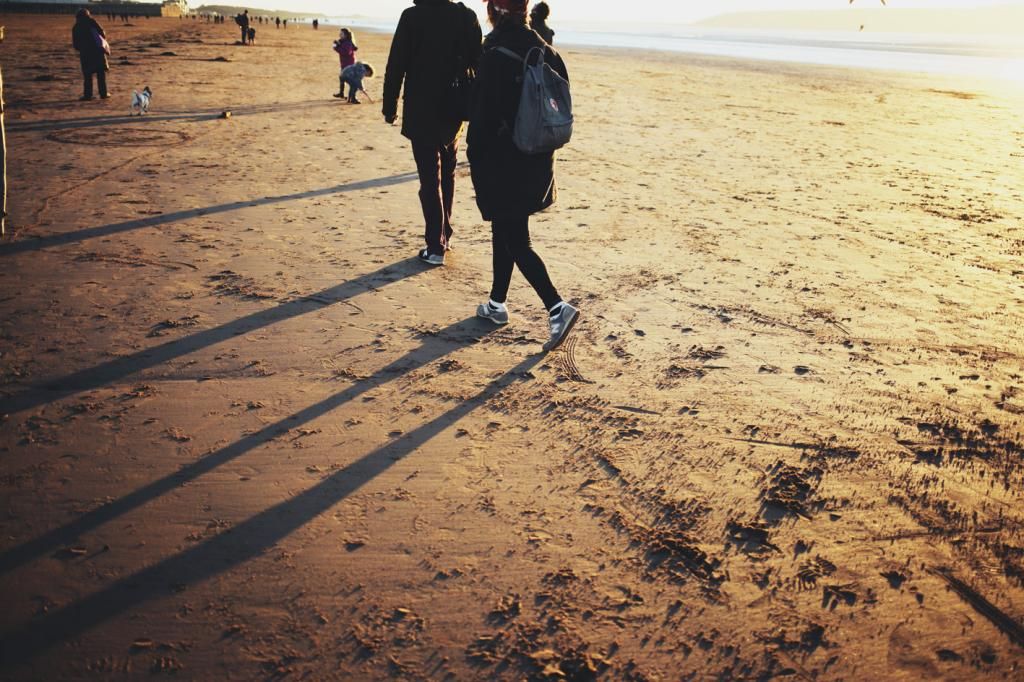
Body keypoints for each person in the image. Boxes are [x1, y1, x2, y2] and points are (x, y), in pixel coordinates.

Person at [468, 0, 579, 351]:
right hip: (539, 154)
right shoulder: (547, 50)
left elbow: (482, 114)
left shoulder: (494, 51)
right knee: (506, 228)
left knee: (516, 239)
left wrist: (475, 155)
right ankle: (497, 304)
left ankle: (557, 307)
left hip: (504, 159)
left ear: (496, 12)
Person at [382, 0, 482, 266]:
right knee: (447, 173)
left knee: (429, 179)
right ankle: (444, 236)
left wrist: (389, 107)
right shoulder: (466, 16)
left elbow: (396, 65)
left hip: (421, 110)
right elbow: (479, 62)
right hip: (454, 107)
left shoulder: (412, 16)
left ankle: (435, 246)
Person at [71, 9, 110, 101]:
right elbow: (102, 34)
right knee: (101, 74)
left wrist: (82, 49)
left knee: (87, 75)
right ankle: (103, 94)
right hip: (98, 53)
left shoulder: (76, 27)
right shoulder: (92, 23)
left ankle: (88, 95)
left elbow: (75, 44)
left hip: (85, 54)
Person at [332, 28, 357, 99]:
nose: (339, 35)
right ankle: (341, 93)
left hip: (349, 65)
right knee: (342, 78)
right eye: (340, 33)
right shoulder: (343, 41)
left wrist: (336, 48)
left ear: (345, 35)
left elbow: (346, 53)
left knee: (350, 80)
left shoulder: (348, 43)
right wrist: (337, 44)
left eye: (341, 34)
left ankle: (353, 97)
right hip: (344, 64)